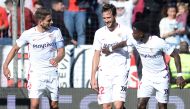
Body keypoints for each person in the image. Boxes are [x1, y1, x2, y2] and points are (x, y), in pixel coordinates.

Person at [102, 21, 186, 109]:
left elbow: (176, 55)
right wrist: (110, 49)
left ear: (141, 34)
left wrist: (179, 75)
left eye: (134, 32)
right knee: (141, 105)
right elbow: (123, 43)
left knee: (162, 106)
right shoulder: (134, 39)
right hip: (147, 77)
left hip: (162, 77)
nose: (132, 34)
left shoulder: (158, 42)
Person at [3, 8, 65, 109]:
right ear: (40, 22)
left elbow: (61, 51)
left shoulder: (56, 31)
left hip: (52, 73)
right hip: (36, 74)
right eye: (49, 20)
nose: (52, 22)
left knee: (54, 105)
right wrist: (5, 66)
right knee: (34, 104)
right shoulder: (28, 34)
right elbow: (15, 48)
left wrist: (57, 59)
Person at [90, 4, 132, 109]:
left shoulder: (126, 31)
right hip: (104, 73)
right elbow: (96, 55)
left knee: (118, 105)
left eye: (108, 17)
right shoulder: (99, 33)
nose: (106, 20)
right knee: (107, 106)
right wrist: (93, 77)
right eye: (104, 18)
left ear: (114, 16)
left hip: (121, 71)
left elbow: (133, 48)